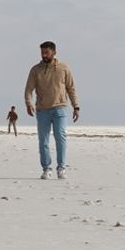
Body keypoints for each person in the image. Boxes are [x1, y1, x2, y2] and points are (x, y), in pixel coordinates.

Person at [24, 41, 80, 179]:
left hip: (60, 108)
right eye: (42, 52)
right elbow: (29, 89)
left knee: (60, 137)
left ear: (54, 52)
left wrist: (76, 106)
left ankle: (61, 168)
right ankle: (46, 168)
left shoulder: (63, 68)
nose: (44, 55)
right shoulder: (35, 70)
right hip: (42, 110)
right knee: (43, 141)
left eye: (46, 52)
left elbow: (71, 88)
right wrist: (29, 103)